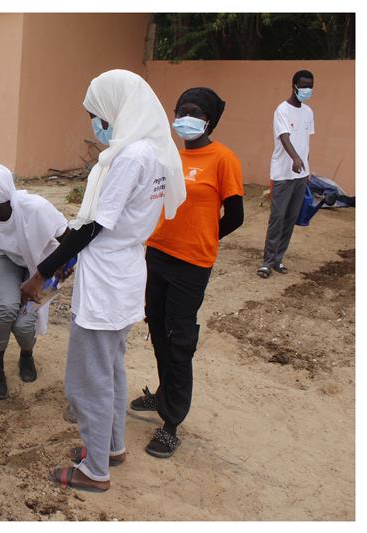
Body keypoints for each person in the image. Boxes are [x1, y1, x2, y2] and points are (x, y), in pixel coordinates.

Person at [21, 69, 186, 492]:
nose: (95, 122)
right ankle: (110, 447)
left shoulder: (130, 157)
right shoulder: (154, 152)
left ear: (117, 106)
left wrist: (42, 273)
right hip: (126, 272)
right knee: (111, 370)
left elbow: (92, 226)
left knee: (86, 380)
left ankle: (95, 470)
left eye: (97, 113)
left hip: (107, 281)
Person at [128, 87, 244, 459]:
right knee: (157, 329)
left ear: (208, 118)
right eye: (181, 110)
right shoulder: (171, 157)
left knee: (179, 340)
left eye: (194, 111)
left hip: (192, 265)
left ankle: (172, 423)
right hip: (158, 256)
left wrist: (206, 238)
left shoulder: (224, 159)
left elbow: (236, 215)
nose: (185, 117)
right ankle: (163, 394)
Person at [0, 161, 69, 399]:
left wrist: (46, 280)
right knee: (5, 309)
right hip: (9, 258)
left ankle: (26, 354)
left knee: (23, 325)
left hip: (47, 265)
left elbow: (70, 245)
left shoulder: (36, 209)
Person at [258, 69, 315, 279]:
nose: (307, 90)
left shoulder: (309, 112)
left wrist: (306, 165)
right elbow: (284, 137)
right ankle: (266, 261)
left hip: (301, 175)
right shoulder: (282, 110)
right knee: (278, 217)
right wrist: (295, 159)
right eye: (304, 85)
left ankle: (278, 259)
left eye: (311, 86)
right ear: (295, 86)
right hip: (283, 173)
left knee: (291, 218)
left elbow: (306, 142)